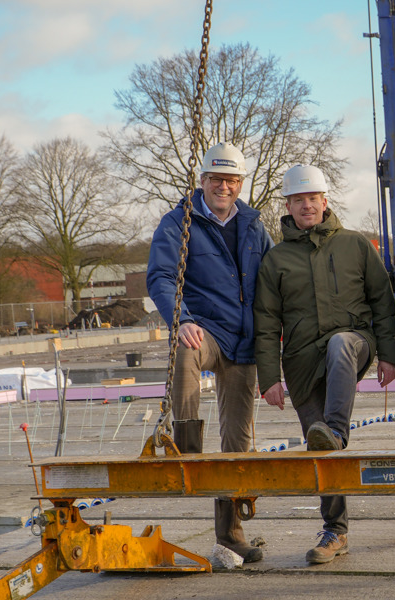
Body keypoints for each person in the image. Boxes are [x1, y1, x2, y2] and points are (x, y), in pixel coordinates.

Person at [252, 164, 395, 564]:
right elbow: (266, 324)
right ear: (288, 205)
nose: (306, 206)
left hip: (352, 344)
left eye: (312, 198)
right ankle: (335, 531)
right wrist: (269, 379)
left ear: (325, 201)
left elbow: (383, 304)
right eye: (298, 200)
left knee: (339, 346)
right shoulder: (276, 260)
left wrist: (389, 354)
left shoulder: (355, 246)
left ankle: (337, 429)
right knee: (320, 451)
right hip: (300, 361)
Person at [147, 142, 273, 563]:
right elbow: (162, 277)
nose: (223, 186)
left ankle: (231, 535)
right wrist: (181, 318)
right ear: (202, 180)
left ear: (240, 184)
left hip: (244, 342)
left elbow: (274, 283)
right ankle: (188, 448)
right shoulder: (178, 223)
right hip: (206, 331)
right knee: (184, 351)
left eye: (231, 180)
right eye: (216, 179)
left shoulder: (255, 226)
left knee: (239, 442)